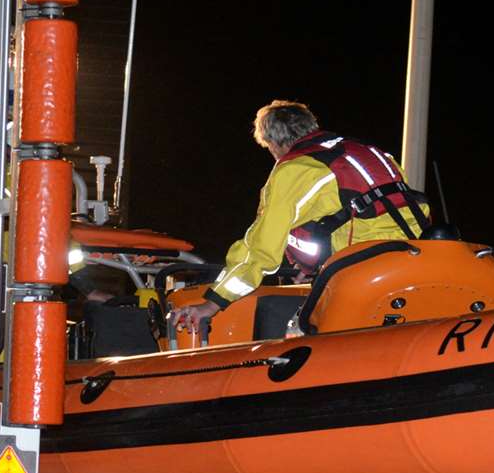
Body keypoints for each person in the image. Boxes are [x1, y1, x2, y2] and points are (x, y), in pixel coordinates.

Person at [170, 101, 430, 334]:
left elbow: (261, 249)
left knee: (292, 328)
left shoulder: (294, 169)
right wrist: (313, 266)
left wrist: (214, 302)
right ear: (311, 127)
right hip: (417, 261)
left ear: (272, 143)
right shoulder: (375, 154)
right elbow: (367, 217)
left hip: (362, 275)